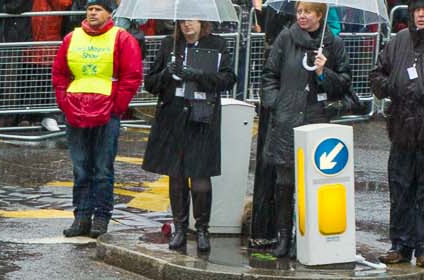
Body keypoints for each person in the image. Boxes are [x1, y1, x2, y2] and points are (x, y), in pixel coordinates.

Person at [250, 1, 351, 258]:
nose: (301, 16)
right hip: (286, 120)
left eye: (307, 12)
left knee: (312, 184)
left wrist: (322, 72)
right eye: (299, 12)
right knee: (284, 183)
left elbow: (344, 83)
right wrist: (275, 103)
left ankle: (305, 236)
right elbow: (270, 75)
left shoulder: (333, 44)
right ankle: (284, 236)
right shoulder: (286, 38)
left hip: (317, 120)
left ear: (319, 15)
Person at [140, 17, 232, 254]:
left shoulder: (217, 45)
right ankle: (180, 228)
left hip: (202, 117)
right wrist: (167, 75)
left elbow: (228, 79)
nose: (186, 26)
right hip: (173, 118)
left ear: (202, 23)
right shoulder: (167, 45)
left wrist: (197, 74)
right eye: (182, 22)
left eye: (191, 22)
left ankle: (202, 229)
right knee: (177, 176)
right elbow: (150, 83)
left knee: (201, 178)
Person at [51, 0, 140, 239]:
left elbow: (131, 76)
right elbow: (59, 72)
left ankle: (101, 218)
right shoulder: (72, 37)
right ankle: (81, 217)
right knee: (81, 169)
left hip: (106, 113)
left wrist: (116, 107)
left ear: (109, 13)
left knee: (102, 169)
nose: (92, 13)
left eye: (98, 9)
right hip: (76, 111)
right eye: (90, 9)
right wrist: (65, 101)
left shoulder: (122, 39)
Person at [371, 6, 424, 265]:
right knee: (400, 187)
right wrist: (390, 86)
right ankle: (400, 245)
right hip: (402, 126)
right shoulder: (398, 41)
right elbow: (377, 74)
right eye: (418, 9)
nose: (422, 14)